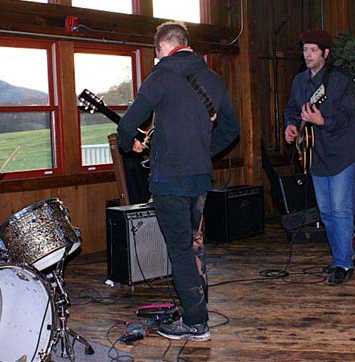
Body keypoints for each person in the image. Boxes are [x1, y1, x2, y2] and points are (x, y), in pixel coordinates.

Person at [117, 21, 240, 341]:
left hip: (170, 179)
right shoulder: (212, 79)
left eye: (156, 55)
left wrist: (129, 142)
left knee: (180, 250)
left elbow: (128, 124)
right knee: (195, 244)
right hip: (200, 177)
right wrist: (203, 151)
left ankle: (196, 322)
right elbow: (231, 130)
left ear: (163, 48)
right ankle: (197, 306)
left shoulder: (160, 76)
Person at [284, 30, 355, 285]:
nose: (308, 55)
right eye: (305, 50)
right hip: (316, 154)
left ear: (325, 53)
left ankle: (342, 263)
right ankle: (342, 257)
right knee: (327, 213)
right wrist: (290, 126)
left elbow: (346, 115)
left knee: (341, 210)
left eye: (313, 50)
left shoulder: (340, 79)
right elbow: (292, 109)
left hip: (342, 151)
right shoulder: (299, 82)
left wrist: (323, 120)